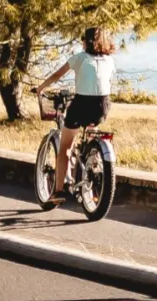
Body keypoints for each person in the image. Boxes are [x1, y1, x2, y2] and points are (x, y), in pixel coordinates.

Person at [33, 27, 116, 202]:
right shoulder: (109, 60)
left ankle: (58, 192)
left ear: (87, 41)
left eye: (83, 39)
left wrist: (41, 88)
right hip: (102, 106)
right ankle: (91, 161)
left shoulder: (80, 58)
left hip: (81, 105)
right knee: (91, 132)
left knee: (65, 148)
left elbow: (57, 75)